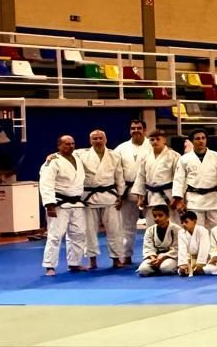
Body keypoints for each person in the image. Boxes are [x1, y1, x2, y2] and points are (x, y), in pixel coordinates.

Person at [39, 134, 91, 275]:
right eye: (67, 144)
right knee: (55, 235)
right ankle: (50, 266)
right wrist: (49, 205)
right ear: (59, 146)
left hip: (76, 203)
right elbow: (46, 183)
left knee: (78, 234)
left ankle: (75, 263)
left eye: (72, 143)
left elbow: (91, 150)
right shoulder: (53, 161)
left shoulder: (78, 157)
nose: (70, 146)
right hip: (59, 203)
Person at [79, 129, 126, 270]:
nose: (98, 141)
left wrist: (120, 195)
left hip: (110, 196)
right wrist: (52, 156)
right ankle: (92, 260)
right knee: (89, 231)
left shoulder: (114, 156)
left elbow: (119, 177)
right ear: (90, 141)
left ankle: (116, 259)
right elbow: (64, 156)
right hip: (88, 197)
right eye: (95, 139)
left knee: (115, 230)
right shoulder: (81, 155)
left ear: (105, 140)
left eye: (100, 138)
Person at [172, 128, 217, 230]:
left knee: (215, 231)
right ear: (192, 141)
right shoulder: (184, 159)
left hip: (213, 199)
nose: (201, 141)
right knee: (196, 231)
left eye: (203, 138)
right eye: (197, 138)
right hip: (193, 199)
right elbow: (179, 179)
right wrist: (178, 199)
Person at [113, 118, 152, 253]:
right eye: (133, 128)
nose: (136, 131)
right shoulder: (121, 148)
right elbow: (115, 172)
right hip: (127, 191)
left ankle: (152, 254)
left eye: (139, 128)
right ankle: (125, 254)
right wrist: (118, 195)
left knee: (152, 224)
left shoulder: (153, 146)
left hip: (149, 191)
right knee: (126, 226)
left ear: (144, 130)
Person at [137, 204, 180, 276]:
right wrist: (153, 258)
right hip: (155, 256)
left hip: (171, 257)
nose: (157, 218)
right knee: (143, 270)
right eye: (155, 216)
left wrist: (162, 258)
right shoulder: (150, 230)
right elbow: (148, 247)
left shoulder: (176, 229)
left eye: (160, 215)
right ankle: (157, 267)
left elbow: (177, 248)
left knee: (166, 268)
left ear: (167, 216)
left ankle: (163, 268)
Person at [174, 210, 214, 277]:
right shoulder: (181, 232)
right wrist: (183, 264)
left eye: (186, 222)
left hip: (203, 259)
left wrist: (200, 263)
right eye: (182, 222)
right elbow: (182, 248)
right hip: (189, 260)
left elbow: (204, 248)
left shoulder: (202, 230)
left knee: (209, 269)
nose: (184, 224)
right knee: (182, 271)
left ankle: (200, 268)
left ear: (194, 221)